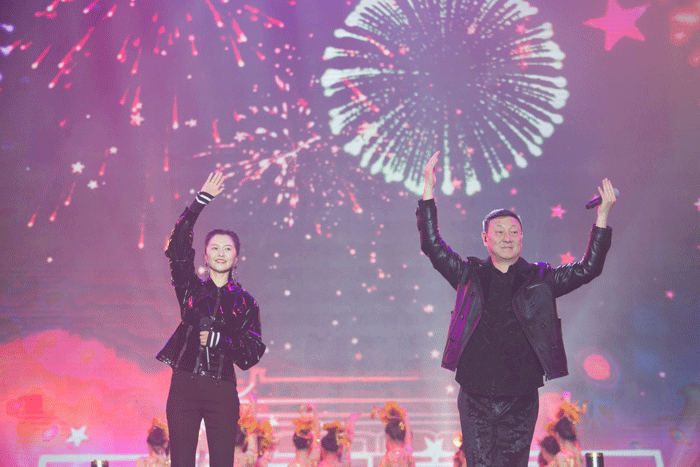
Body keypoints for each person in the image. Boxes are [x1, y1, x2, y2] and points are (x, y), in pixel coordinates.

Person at [416, 151, 616, 467]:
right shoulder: (469, 275)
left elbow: (588, 269)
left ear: (522, 237)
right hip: (475, 396)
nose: (507, 238)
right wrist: (428, 192)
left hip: (521, 397)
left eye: (513, 231)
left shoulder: (541, 278)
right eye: (499, 232)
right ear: (485, 238)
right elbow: (432, 245)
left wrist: (602, 216)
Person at [157, 172, 266, 467]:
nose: (221, 253)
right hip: (185, 385)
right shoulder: (190, 289)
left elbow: (251, 353)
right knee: (181, 462)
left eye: (228, 248)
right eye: (214, 247)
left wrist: (223, 340)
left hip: (222, 390)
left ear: (236, 257)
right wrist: (200, 201)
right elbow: (177, 247)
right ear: (204, 255)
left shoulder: (246, 303)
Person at [371, 402, 415, 467]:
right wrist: (404, 418)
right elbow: (407, 434)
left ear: (388, 437)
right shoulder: (408, 454)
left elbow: (406, 432)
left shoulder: (389, 458)